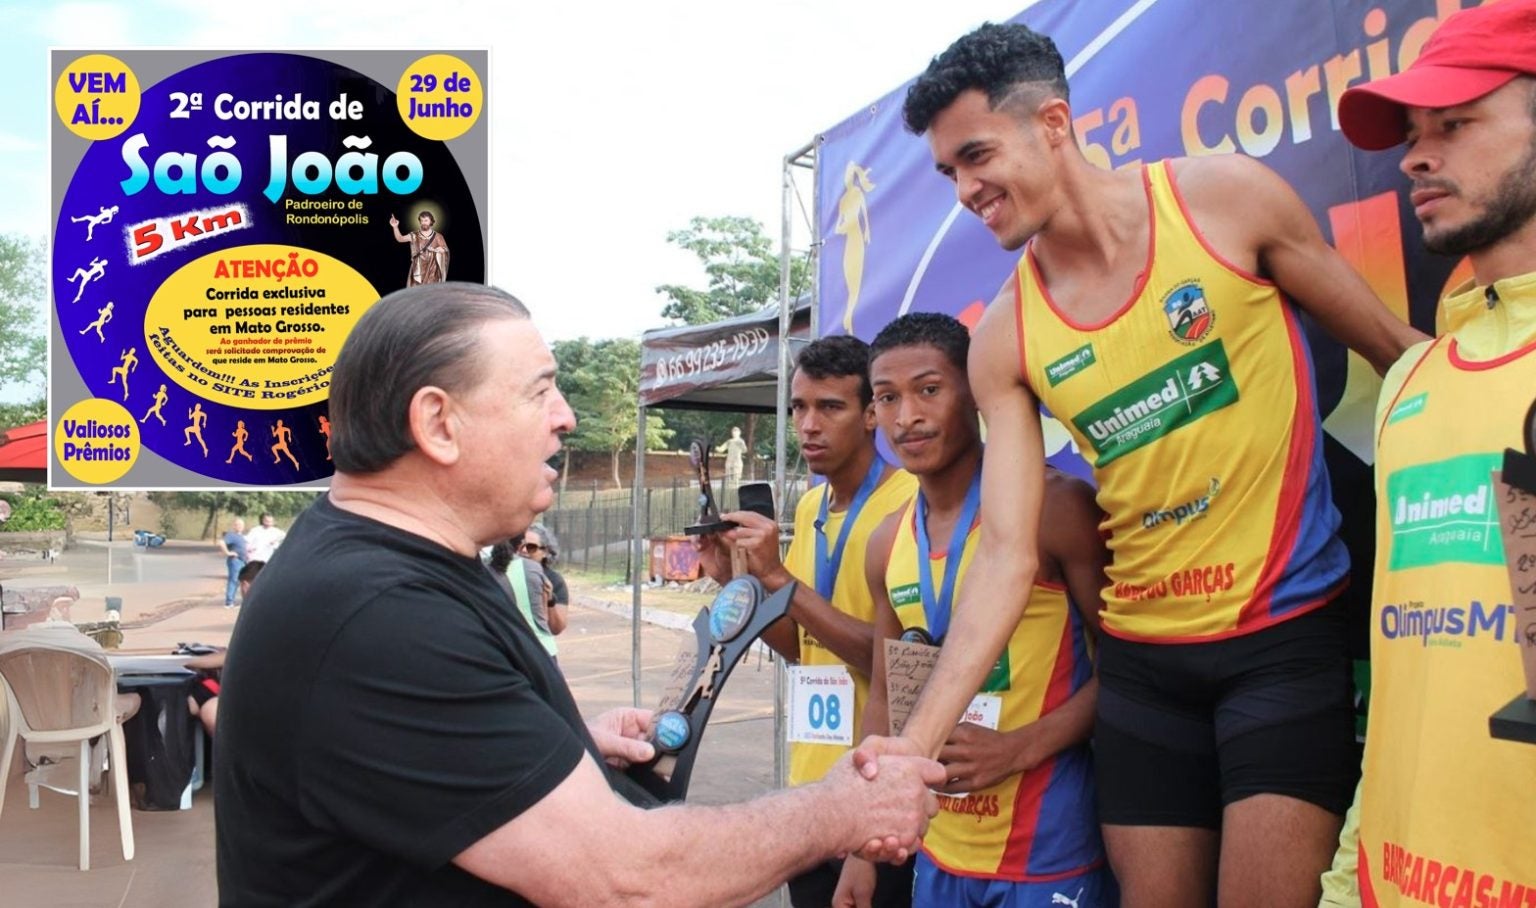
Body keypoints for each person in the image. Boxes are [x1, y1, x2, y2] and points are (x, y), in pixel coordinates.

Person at [864, 22, 1429, 908]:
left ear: (1053, 122)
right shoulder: (1006, 336)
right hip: (1141, 667)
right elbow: (1007, 553)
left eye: (976, 155)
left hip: (1281, 643)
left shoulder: (1227, 203)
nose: (966, 190)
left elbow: (1402, 359)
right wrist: (913, 750)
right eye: (947, 173)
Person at [214, 282, 944, 907]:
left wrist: (553, 748)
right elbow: (628, 878)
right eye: (540, 391)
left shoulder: (396, 569)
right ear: (439, 423)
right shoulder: (378, 615)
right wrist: (841, 810)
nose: (566, 417)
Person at [1324, 4, 1536, 904]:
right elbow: (1407, 680)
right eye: (1413, 133)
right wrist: (1345, 880)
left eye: (1455, 125)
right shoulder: (1410, 381)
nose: (1415, 156)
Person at [836, 313, 1113, 908]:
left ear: (977, 392)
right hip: (941, 848)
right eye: (887, 398)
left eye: (928, 390)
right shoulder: (888, 543)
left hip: (1049, 846)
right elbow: (885, 699)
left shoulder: (1055, 509)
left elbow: (1129, 666)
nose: (906, 415)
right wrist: (861, 849)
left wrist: (1022, 746)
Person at [699, 335, 920, 908]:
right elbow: (802, 647)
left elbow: (896, 663)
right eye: (798, 407)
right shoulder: (809, 507)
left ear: (872, 413)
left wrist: (781, 579)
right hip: (814, 786)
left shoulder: (911, 502)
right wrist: (739, 578)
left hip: (880, 790)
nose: (808, 425)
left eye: (830, 407)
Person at [185, 560, 265, 737]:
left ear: (245, 585)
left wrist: (189, 662)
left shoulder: (260, 614)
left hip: (253, 690)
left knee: (193, 699)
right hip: (253, 685)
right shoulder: (270, 610)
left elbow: (233, 656)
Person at [488, 535, 559, 663]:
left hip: (505, 652)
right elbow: (544, 615)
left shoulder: (485, 571)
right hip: (542, 647)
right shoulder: (533, 568)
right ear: (521, 545)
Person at [522, 523, 569, 639]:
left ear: (545, 552)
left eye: (530, 547)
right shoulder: (505, 575)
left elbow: (556, 628)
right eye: (520, 546)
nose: (523, 550)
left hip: (540, 645)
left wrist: (550, 600)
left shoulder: (554, 581)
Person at [390, 210, 450, 286]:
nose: (423, 223)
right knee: (416, 291)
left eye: (426, 220)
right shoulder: (414, 235)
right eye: (421, 220)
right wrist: (395, 227)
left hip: (432, 269)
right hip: (417, 268)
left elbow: (445, 250)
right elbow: (400, 239)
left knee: (429, 291)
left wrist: (439, 250)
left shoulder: (438, 236)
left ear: (431, 221)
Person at [217, 518, 248, 609]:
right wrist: (227, 553)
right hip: (235, 561)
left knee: (241, 582)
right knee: (233, 580)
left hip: (243, 561)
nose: (240, 527)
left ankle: (240, 602)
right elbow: (221, 542)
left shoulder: (242, 536)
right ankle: (229, 602)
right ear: (234, 526)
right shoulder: (231, 535)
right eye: (238, 525)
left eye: (241, 525)